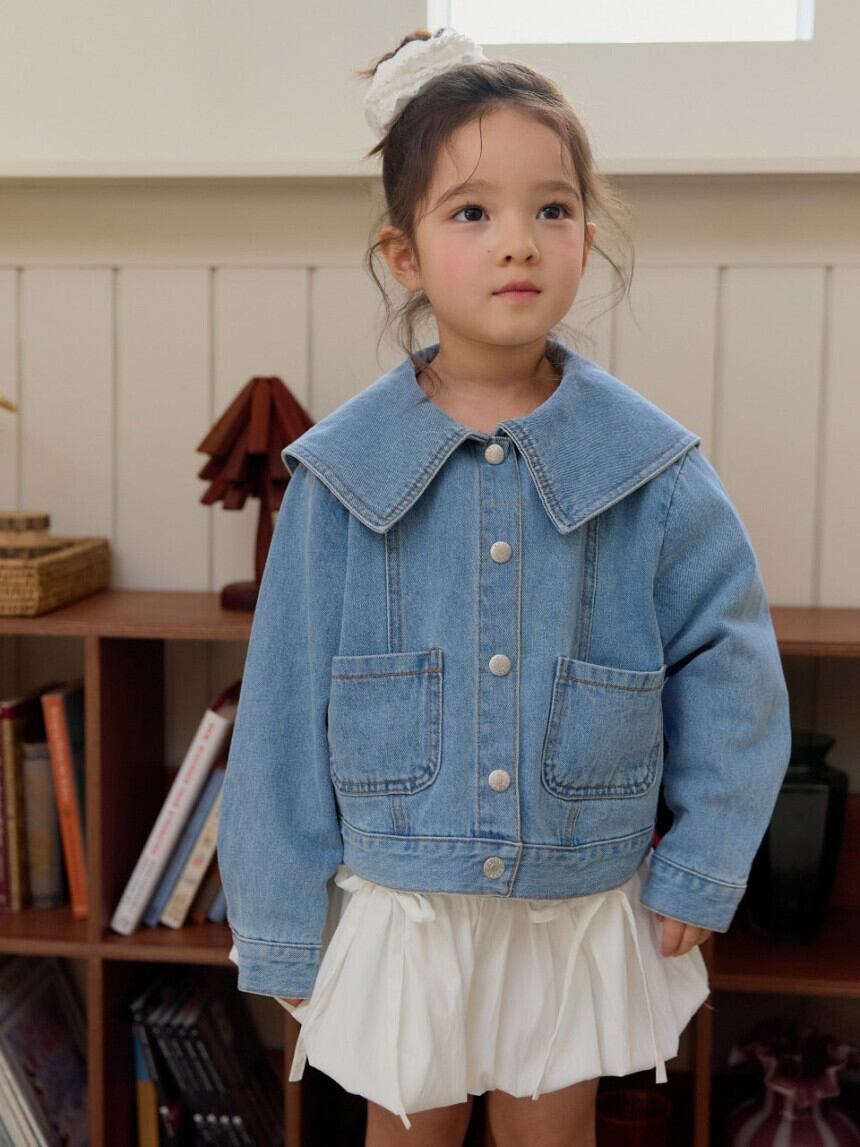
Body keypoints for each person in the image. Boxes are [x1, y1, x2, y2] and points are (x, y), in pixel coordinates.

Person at [216, 26, 792, 1147]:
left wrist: (701, 862)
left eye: (552, 209)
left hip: (574, 899)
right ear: (404, 254)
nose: (518, 241)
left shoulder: (654, 471)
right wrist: (281, 924)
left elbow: (733, 667)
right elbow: (282, 707)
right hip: (406, 904)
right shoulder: (340, 478)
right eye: (472, 212)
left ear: (587, 238)